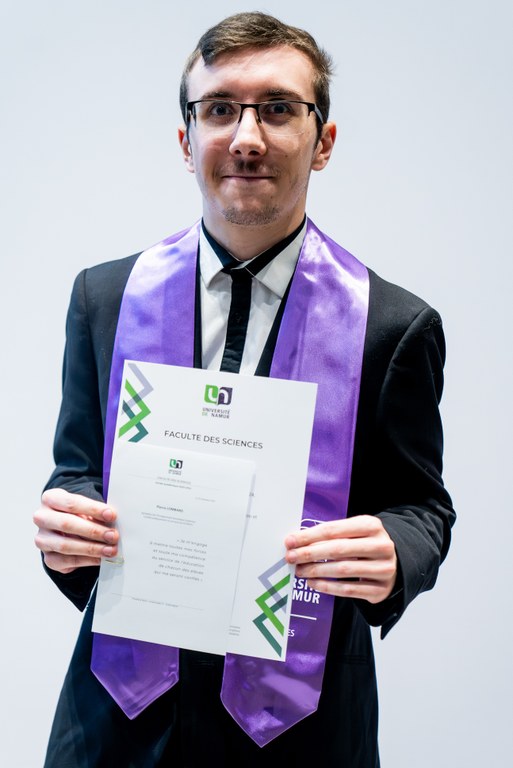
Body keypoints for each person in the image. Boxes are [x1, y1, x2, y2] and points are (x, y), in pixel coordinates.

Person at [34, 11, 455, 767]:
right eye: (221, 109)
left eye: (278, 108)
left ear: (323, 142)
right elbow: (77, 471)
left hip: (302, 726)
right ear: (186, 140)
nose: (247, 137)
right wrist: (68, 524)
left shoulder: (392, 326)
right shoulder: (105, 299)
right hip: (116, 725)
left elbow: (422, 508)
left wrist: (397, 549)